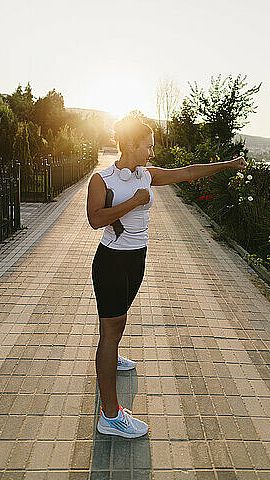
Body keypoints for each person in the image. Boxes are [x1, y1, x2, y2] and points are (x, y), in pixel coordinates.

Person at [86, 115, 247, 438]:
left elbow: (187, 173)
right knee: (111, 330)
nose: (151, 153)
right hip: (112, 262)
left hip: (136, 260)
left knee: (117, 324)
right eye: (148, 147)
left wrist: (229, 165)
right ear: (131, 145)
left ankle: (112, 358)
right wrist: (133, 202)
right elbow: (95, 219)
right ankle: (110, 415)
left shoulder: (147, 176)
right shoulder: (102, 180)